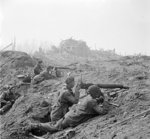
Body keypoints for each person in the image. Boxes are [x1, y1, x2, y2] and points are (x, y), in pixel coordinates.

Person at [27, 85, 109, 133]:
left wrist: (100, 99)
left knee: (54, 124)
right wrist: (106, 100)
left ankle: (36, 126)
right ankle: (35, 126)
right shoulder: (91, 101)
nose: (99, 94)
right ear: (95, 93)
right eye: (98, 92)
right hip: (72, 119)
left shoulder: (89, 97)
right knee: (55, 127)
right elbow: (103, 111)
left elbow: (93, 101)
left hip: (70, 115)